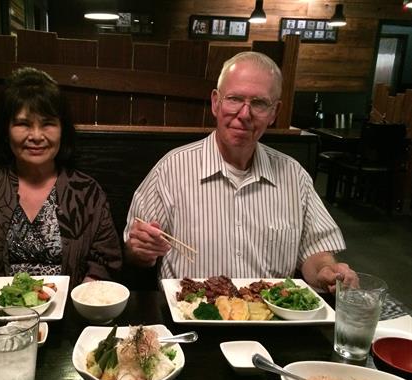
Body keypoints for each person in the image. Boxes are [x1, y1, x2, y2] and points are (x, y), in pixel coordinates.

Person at [124, 51, 356, 294]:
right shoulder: (171, 169)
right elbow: (133, 252)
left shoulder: (293, 176)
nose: (244, 114)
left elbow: (315, 251)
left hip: (270, 313)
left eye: (259, 103)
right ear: (216, 103)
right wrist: (141, 249)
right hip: (190, 310)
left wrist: (326, 271)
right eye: (234, 99)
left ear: (274, 112)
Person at [0, 67, 122, 288]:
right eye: (23, 124)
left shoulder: (87, 192)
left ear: (62, 130)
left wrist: (82, 297)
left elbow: (106, 262)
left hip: (68, 307)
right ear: (6, 130)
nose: (36, 136)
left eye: (48, 123)